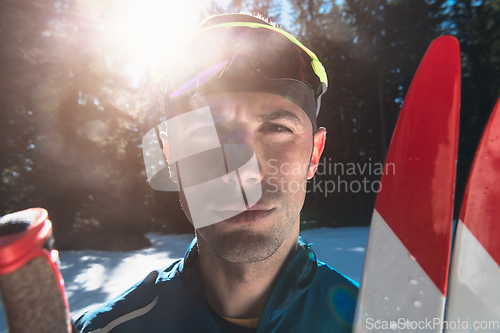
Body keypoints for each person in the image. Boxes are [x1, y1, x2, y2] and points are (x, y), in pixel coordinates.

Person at [74, 13, 358, 333]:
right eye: (205, 132)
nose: (242, 173)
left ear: (314, 154)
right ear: (172, 157)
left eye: (277, 128)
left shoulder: (374, 322)